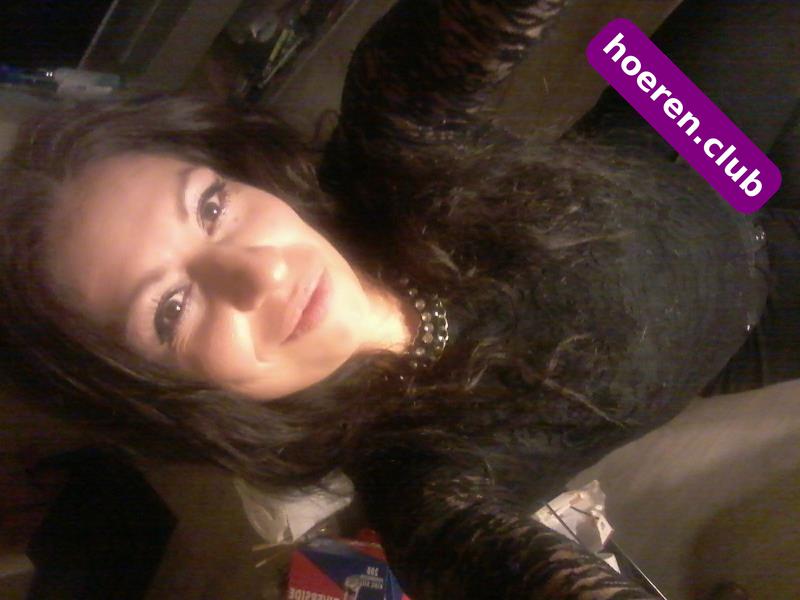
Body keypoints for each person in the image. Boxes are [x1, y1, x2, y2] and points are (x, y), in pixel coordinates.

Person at [0, 0, 797, 597]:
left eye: (212, 207)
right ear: (163, 395)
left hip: (686, 138)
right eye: (171, 309)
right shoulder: (429, 499)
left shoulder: (383, 155)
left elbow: (459, 34)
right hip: (765, 315)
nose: (261, 275)